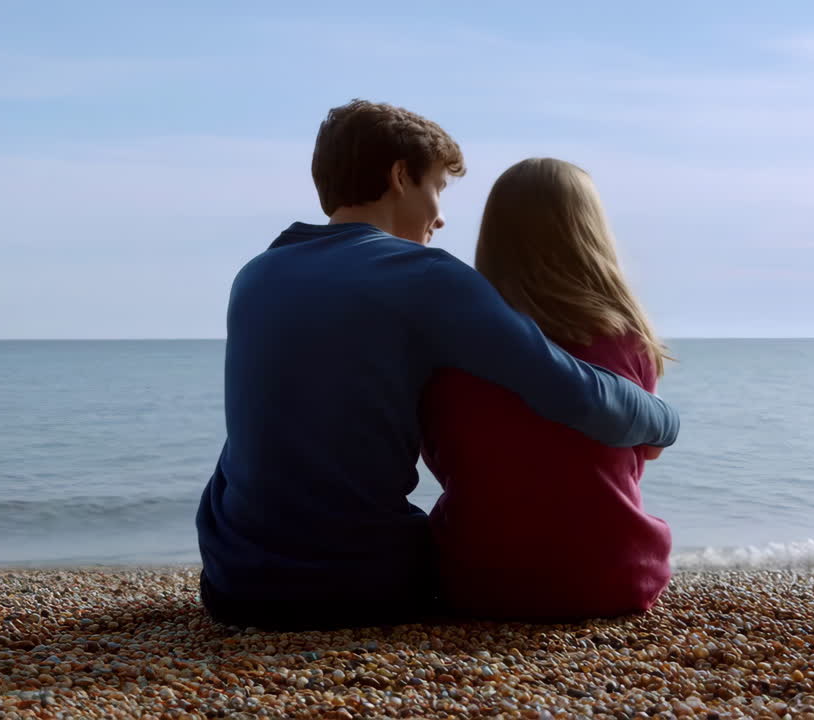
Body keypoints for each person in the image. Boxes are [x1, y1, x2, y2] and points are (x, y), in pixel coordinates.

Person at [196, 101, 680, 630]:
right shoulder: (427, 275)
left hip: (231, 584)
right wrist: (664, 419)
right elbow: (577, 394)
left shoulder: (257, 274)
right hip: (359, 589)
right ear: (400, 177)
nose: (441, 216)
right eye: (438, 189)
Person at [421, 157, 677, 620]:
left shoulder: (454, 340)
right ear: (591, 232)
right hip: (616, 575)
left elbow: (436, 453)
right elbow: (646, 451)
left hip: (475, 580)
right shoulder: (627, 338)